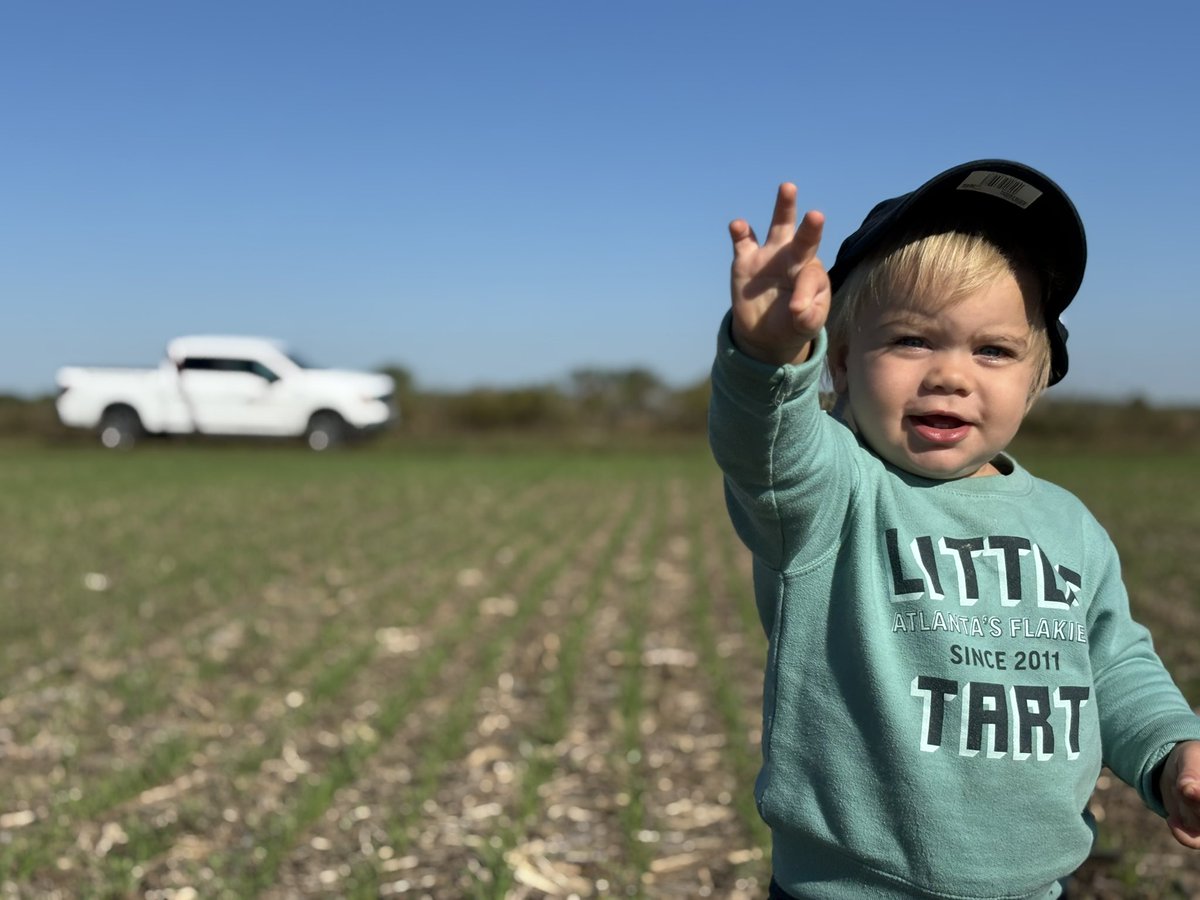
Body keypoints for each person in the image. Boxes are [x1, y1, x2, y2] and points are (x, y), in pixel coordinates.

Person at [707, 159, 1200, 899]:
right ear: (841, 361)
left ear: (1036, 378)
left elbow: (1115, 666)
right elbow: (765, 446)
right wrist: (769, 359)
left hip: (1035, 887)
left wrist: (1172, 749)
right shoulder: (832, 492)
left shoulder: (1067, 523)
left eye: (994, 350)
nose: (951, 375)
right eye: (911, 340)